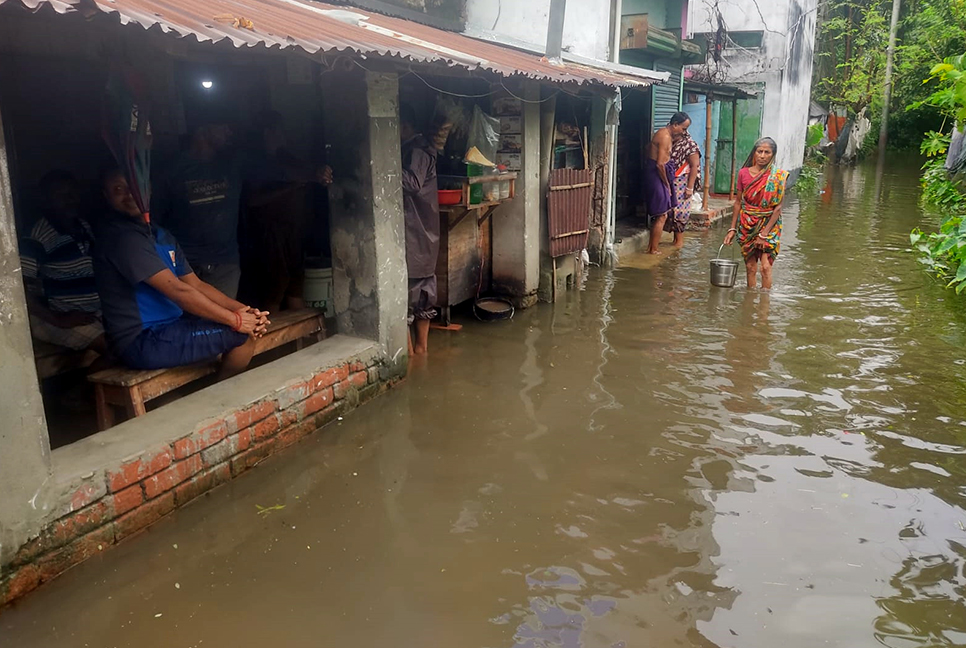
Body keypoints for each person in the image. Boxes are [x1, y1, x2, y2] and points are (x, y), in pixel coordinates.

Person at [94, 168, 268, 378]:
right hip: (142, 340)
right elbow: (178, 290)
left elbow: (196, 284)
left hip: (171, 328)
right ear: (106, 196)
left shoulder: (160, 234)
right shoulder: (122, 238)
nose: (130, 194)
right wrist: (236, 321)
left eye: (135, 185)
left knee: (242, 328)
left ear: (148, 188)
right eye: (118, 189)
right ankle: (219, 403)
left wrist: (248, 312)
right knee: (242, 337)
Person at [241, 110, 333, 314]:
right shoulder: (256, 164)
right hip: (271, 234)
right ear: (268, 133)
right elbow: (253, 200)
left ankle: (305, 337)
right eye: (279, 131)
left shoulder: (285, 156)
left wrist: (319, 173)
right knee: (276, 287)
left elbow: (308, 172)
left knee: (295, 283)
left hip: (294, 232)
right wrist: (293, 185)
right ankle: (272, 337)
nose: (283, 136)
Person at [152, 119, 244, 298]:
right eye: (223, 125)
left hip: (225, 264)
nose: (229, 132)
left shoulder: (232, 165)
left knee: (222, 323)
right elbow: (154, 220)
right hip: (185, 265)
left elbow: (274, 170)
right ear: (202, 129)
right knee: (187, 324)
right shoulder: (171, 171)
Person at [20, 170, 107, 354]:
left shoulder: (84, 226)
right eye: (60, 195)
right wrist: (57, 319)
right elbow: (19, 289)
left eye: (73, 193)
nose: (70, 200)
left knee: (134, 342)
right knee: (118, 351)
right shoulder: (36, 237)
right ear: (45, 201)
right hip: (56, 319)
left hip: (92, 315)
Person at [399, 103, 439, 357]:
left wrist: (383, 164)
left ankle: (415, 354)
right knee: (422, 290)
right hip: (422, 230)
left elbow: (412, 182)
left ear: (405, 127)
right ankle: (419, 354)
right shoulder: (419, 148)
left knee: (410, 294)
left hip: (416, 229)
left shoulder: (417, 150)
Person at [723, 137, 788, 290]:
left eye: (767, 152)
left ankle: (764, 306)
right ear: (754, 153)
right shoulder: (743, 174)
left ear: (773, 155)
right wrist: (732, 229)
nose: (763, 156)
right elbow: (738, 202)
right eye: (760, 151)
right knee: (751, 267)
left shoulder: (778, 176)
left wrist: (764, 234)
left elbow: (777, 208)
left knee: (765, 267)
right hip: (747, 224)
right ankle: (750, 301)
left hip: (769, 225)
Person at [643, 112, 691, 254]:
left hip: (656, 174)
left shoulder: (666, 135)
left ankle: (651, 247)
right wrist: (667, 185)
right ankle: (653, 250)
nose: (684, 132)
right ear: (675, 124)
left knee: (662, 213)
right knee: (662, 214)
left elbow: (648, 149)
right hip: (657, 175)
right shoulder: (664, 136)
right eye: (683, 128)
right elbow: (660, 165)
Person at [663, 126, 701, 247]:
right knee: (671, 211)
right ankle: (675, 244)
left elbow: (694, 167)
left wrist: (689, 188)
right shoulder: (671, 142)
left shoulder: (690, 146)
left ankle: (678, 244)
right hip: (672, 181)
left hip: (682, 183)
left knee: (680, 214)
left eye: (685, 129)